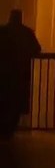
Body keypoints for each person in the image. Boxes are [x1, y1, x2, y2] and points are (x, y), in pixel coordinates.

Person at [0, 9, 41, 139]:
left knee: (4, 100)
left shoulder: (3, 31)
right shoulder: (26, 33)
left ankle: (3, 128)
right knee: (16, 101)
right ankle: (10, 129)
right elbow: (36, 49)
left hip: (3, 73)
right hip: (20, 72)